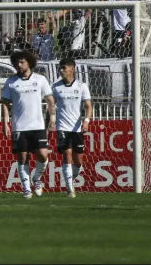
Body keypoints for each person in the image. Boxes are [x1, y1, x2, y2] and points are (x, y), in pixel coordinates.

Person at [1, 50, 56, 199]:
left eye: (22, 62)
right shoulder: (11, 82)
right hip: (19, 126)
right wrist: (5, 123)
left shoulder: (40, 79)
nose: (18, 65)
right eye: (17, 62)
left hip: (38, 125)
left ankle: (37, 179)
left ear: (29, 62)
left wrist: (52, 119)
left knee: (43, 155)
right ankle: (26, 189)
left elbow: (50, 100)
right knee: (22, 157)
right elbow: (5, 104)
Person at [52, 58, 92, 198]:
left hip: (77, 128)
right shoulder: (56, 87)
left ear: (72, 69)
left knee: (78, 161)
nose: (61, 70)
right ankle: (70, 189)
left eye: (63, 68)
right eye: (60, 68)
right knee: (66, 155)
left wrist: (86, 121)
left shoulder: (81, 86)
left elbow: (88, 106)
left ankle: (71, 180)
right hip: (62, 127)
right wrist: (49, 122)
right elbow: (51, 106)